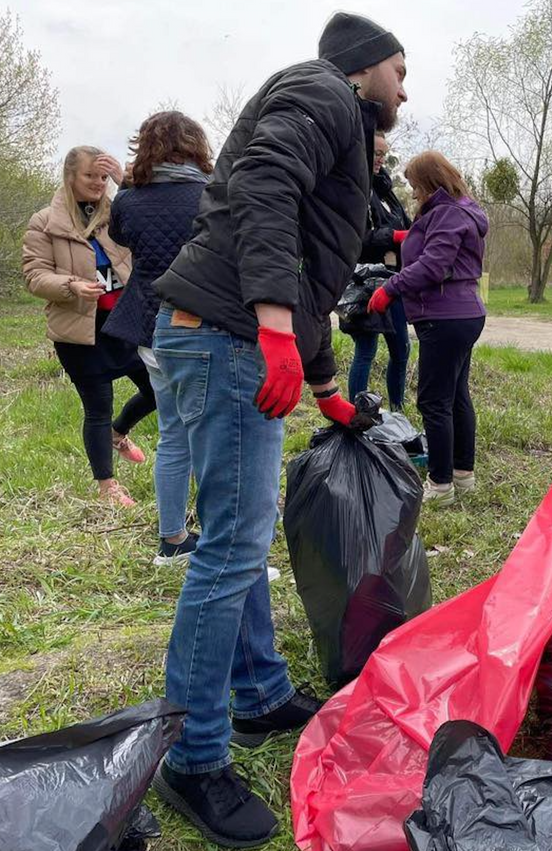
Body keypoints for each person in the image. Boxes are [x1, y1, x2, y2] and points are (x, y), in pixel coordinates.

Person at [148, 13, 407, 847]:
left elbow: (308, 263)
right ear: (365, 66)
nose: (406, 88)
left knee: (240, 535)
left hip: (220, 331)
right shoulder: (324, 90)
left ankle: (258, 695)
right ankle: (191, 757)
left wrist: (328, 385)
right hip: (226, 336)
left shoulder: (338, 112)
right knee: (227, 551)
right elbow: (265, 187)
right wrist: (266, 319)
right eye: (401, 70)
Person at [106, 111, 213, 567]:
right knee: (212, 439)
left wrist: (128, 184)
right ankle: (218, 542)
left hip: (150, 326)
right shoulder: (211, 195)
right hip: (201, 325)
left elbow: (119, 237)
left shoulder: (129, 201)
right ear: (196, 145)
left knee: (173, 436)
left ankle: (172, 540)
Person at [22, 146, 155, 507]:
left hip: (126, 324)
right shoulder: (44, 222)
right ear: (70, 177)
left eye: (102, 176)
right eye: (90, 176)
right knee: (98, 407)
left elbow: (155, 212)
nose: (98, 183)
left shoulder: (119, 212)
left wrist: (125, 182)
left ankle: (119, 433)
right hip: (80, 330)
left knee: (160, 390)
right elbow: (34, 275)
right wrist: (70, 286)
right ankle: (107, 487)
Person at [369, 151, 487, 506]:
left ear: (431, 180)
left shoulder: (447, 213)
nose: (414, 191)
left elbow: (433, 266)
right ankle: (463, 475)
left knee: (434, 400)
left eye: (416, 185)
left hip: (445, 315)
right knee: (456, 395)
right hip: (462, 313)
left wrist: (388, 289)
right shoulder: (458, 209)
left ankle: (440, 484)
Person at [342, 128, 412, 404]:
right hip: (362, 281)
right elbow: (353, 239)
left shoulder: (386, 189)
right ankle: (355, 415)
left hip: (392, 280)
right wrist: (393, 237)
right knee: (366, 349)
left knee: (401, 349)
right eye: (376, 153)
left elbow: (404, 224)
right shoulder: (351, 186)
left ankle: (397, 411)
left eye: (384, 153)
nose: (380, 159)